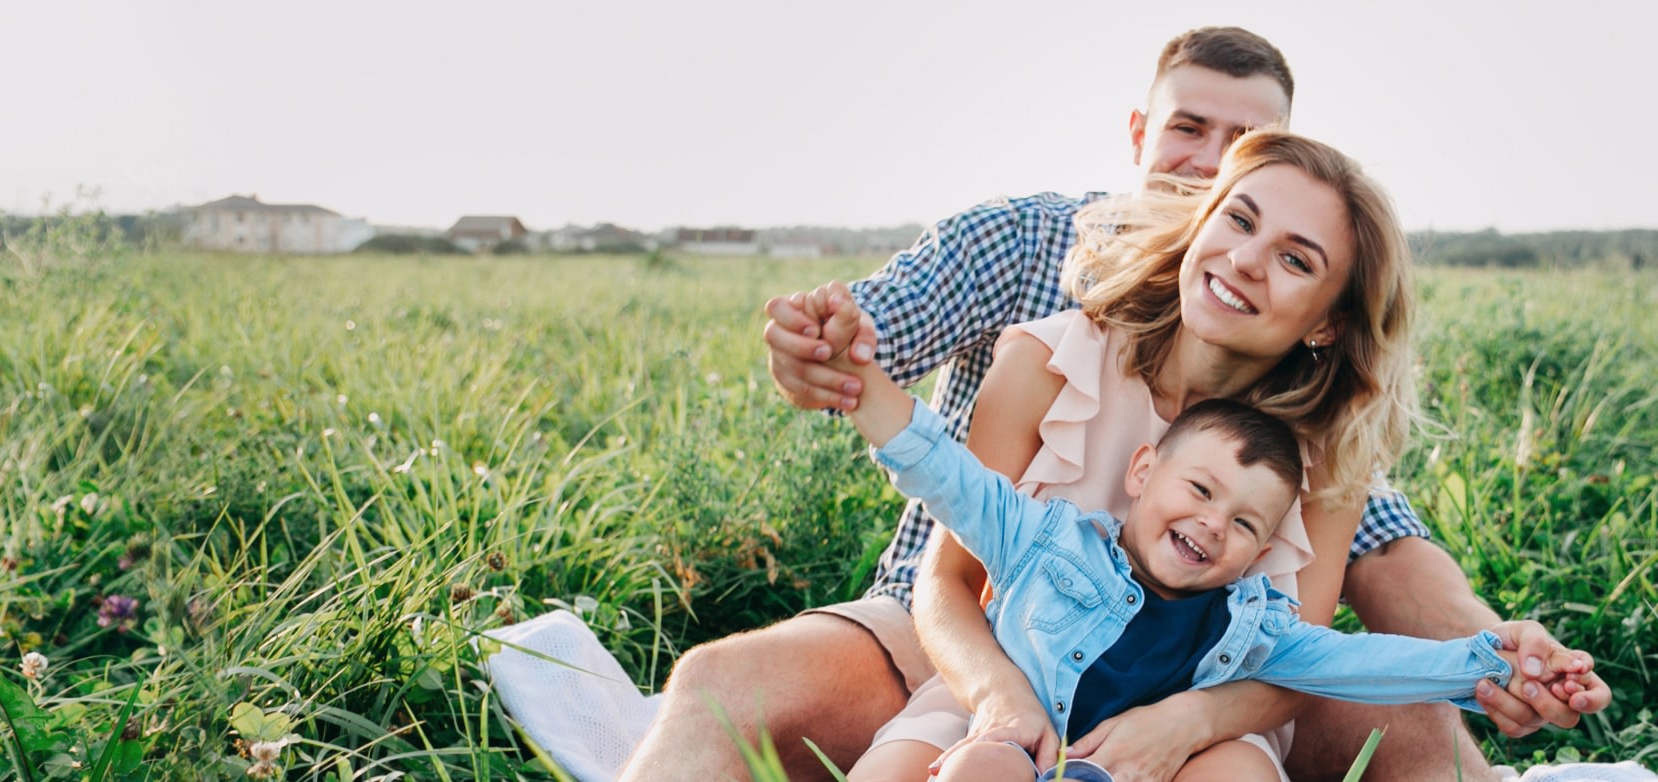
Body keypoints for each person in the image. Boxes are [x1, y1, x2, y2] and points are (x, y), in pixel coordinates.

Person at [618, 27, 1609, 782]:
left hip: (1207, 684)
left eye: (1292, 250)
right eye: (1193, 133)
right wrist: (823, 345)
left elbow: (1368, 568)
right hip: (971, 629)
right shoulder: (1041, 290)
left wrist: (1500, 651)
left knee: (1420, 732)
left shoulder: (1316, 429)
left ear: (1325, 315)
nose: (1213, 172)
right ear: (1145, 135)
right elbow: (885, 377)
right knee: (732, 687)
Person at [821, 352, 1596, 782]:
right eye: (1198, 489)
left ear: (1261, 553)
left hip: (1127, 772)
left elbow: (1365, 663)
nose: (1209, 524)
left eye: (1243, 523)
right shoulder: (1047, 542)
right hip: (1013, 743)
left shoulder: (1251, 627)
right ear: (1142, 471)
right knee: (980, 772)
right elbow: (949, 477)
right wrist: (866, 392)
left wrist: (1489, 663)